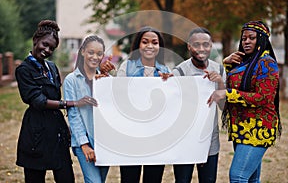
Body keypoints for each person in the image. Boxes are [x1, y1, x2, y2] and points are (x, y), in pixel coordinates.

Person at [15, 20, 95, 183]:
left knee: (66, 178)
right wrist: (72, 103)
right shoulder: (23, 70)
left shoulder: (52, 68)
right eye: (45, 44)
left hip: (57, 132)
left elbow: (56, 95)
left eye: (51, 48)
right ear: (35, 40)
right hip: (36, 133)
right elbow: (38, 101)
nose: (47, 50)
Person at [207, 20, 282, 182]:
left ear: (261, 39)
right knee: (251, 179)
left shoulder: (267, 63)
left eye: (252, 38)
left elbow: (263, 97)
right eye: (244, 38)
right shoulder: (243, 61)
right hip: (241, 128)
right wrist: (226, 64)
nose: (246, 41)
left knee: (238, 177)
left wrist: (228, 93)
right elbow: (234, 83)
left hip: (258, 129)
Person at [117, 26, 172, 183]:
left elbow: (169, 105)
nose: (150, 46)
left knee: (153, 178)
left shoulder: (166, 70)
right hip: (131, 135)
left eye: (154, 42)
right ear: (138, 45)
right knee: (129, 178)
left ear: (159, 47)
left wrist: (170, 85)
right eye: (145, 42)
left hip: (156, 136)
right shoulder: (126, 67)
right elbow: (117, 96)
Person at [172, 27, 226, 183]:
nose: (201, 49)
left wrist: (220, 84)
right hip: (184, 140)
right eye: (196, 44)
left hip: (210, 141)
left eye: (206, 44)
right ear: (189, 46)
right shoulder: (180, 72)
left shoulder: (219, 70)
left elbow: (223, 107)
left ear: (211, 46)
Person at [63, 35, 114, 183]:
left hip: (104, 142)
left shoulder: (106, 80)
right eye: (91, 52)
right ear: (83, 51)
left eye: (99, 54)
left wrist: (107, 78)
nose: (95, 57)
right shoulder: (71, 80)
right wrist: (84, 145)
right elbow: (73, 115)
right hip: (84, 141)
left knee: (100, 181)